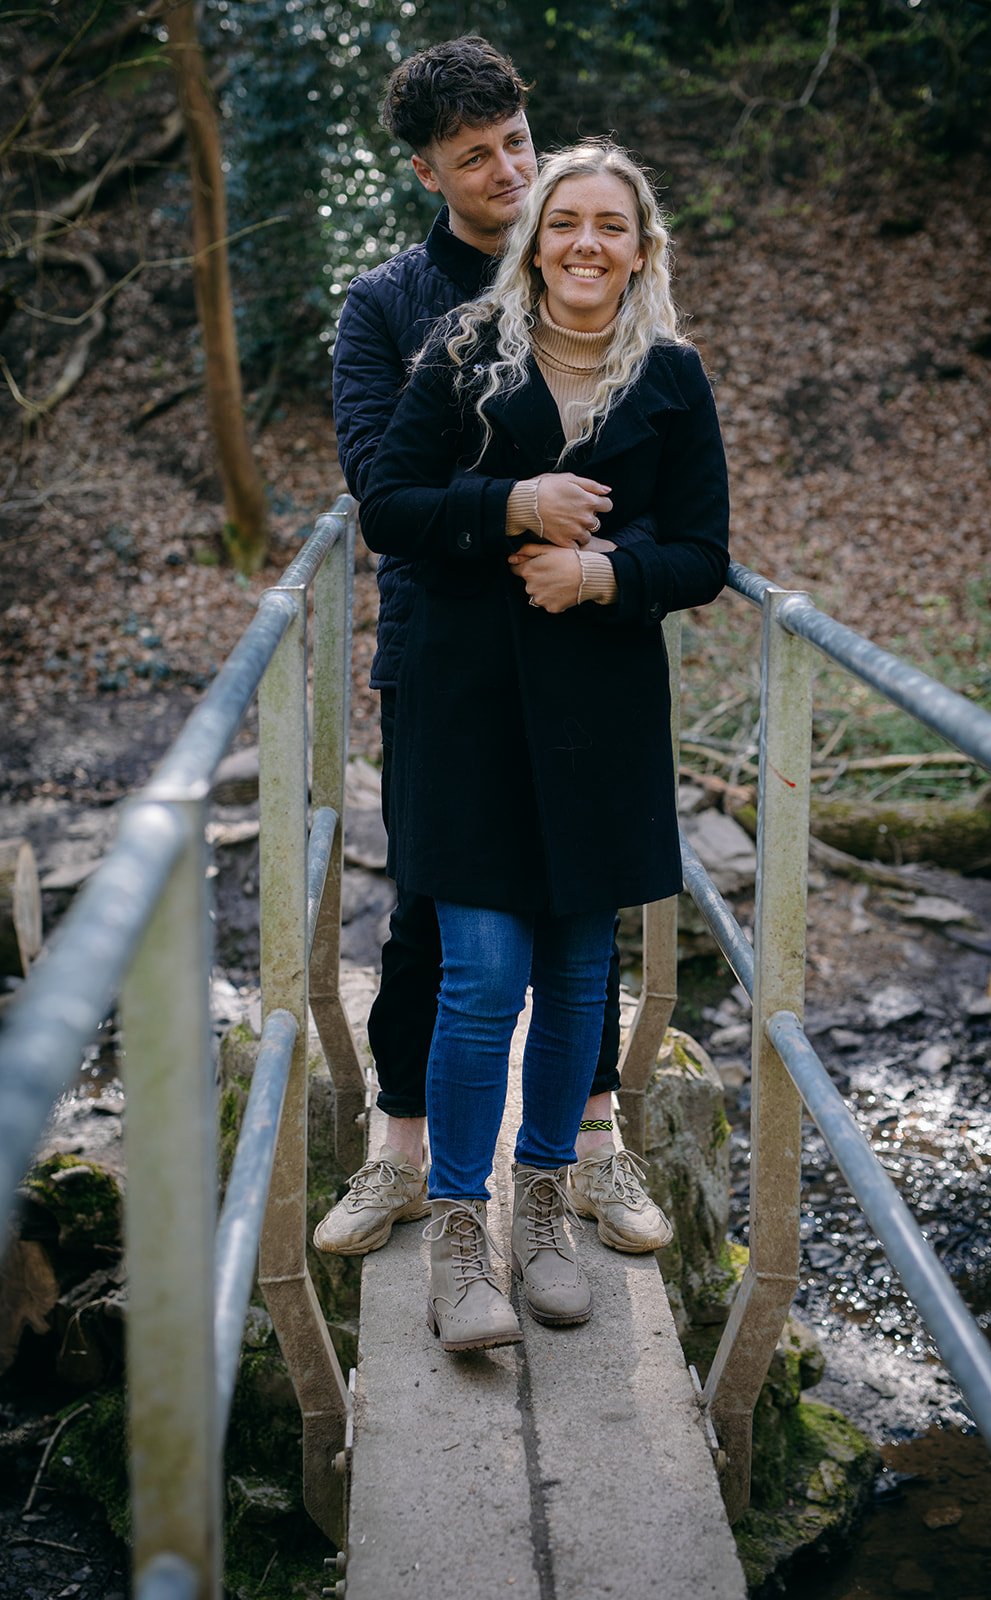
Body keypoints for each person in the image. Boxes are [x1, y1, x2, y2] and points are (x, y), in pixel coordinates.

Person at [358, 141, 730, 1349]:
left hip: (599, 718)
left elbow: (703, 554)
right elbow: (388, 508)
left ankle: (544, 1210)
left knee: (576, 977)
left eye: (610, 226)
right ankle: (459, 1231)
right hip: (467, 705)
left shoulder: (671, 375)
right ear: (534, 238)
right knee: (477, 979)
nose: (584, 243)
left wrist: (604, 573)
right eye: (564, 220)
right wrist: (511, 504)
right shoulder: (461, 353)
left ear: (640, 248)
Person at [320, 37, 674, 1265]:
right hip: (445, 652)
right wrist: (514, 504)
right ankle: (401, 1149)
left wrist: (608, 565)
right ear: (426, 171)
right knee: (431, 909)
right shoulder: (385, 306)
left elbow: (657, 480)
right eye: (474, 157)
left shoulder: (595, 269)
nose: (508, 172)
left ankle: (590, 1143)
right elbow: (379, 483)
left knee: (584, 899)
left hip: (581, 642)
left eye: (516, 141)